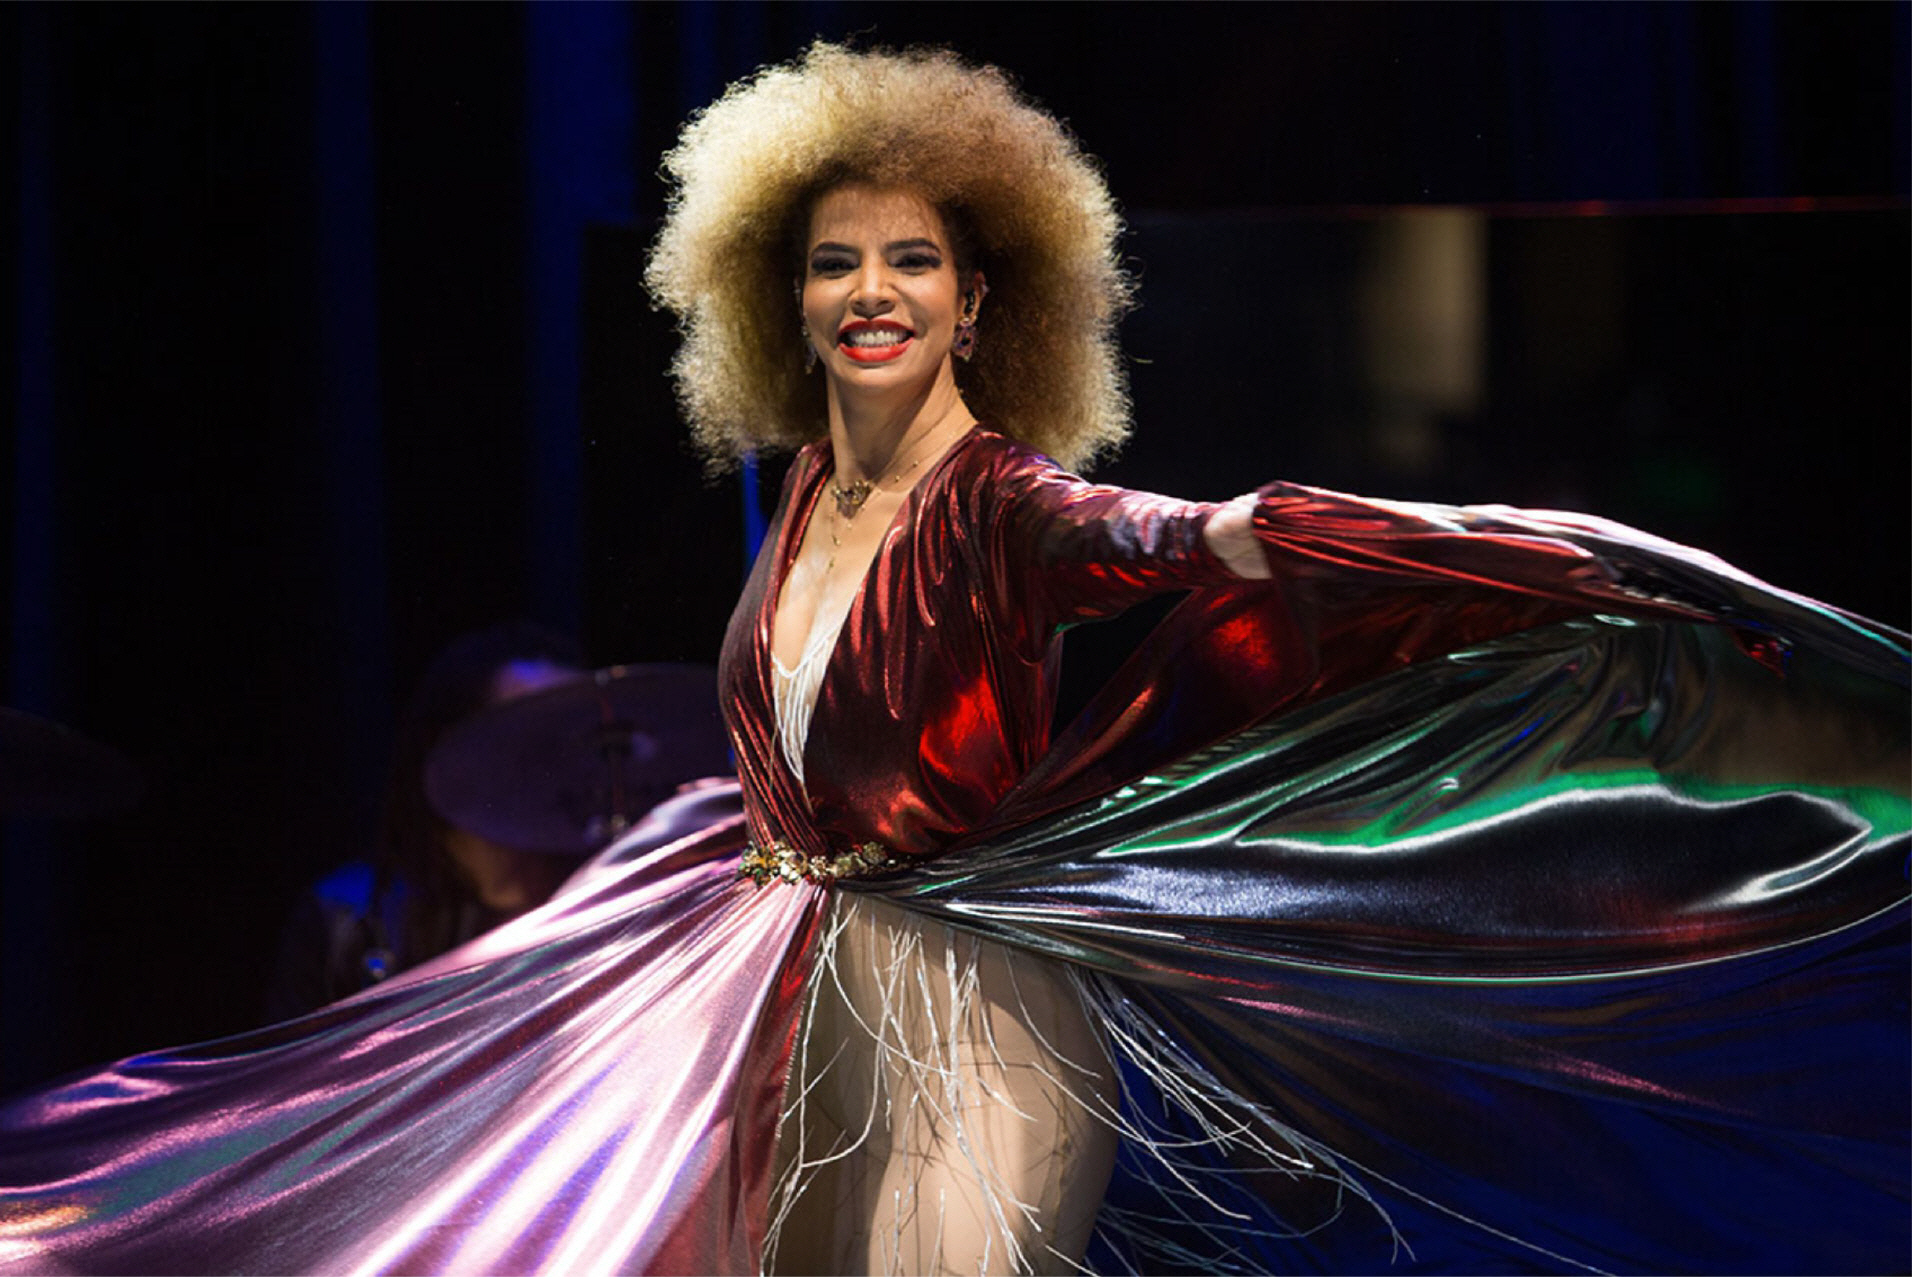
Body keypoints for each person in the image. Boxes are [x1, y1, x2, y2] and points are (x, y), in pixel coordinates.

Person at [0, 43, 1904, 1277]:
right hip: (772, 981)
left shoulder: (1004, 496)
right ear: (782, 294)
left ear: (980, 299)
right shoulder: (795, 510)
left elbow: (1162, 540)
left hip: (971, 990)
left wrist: (1310, 536)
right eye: (835, 262)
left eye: (911, 260)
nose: (872, 292)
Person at [264, 623, 588, 1020]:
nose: (561, 754)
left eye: (577, 729)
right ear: (451, 749)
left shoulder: (605, 899)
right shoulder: (347, 918)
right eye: (532, 728)